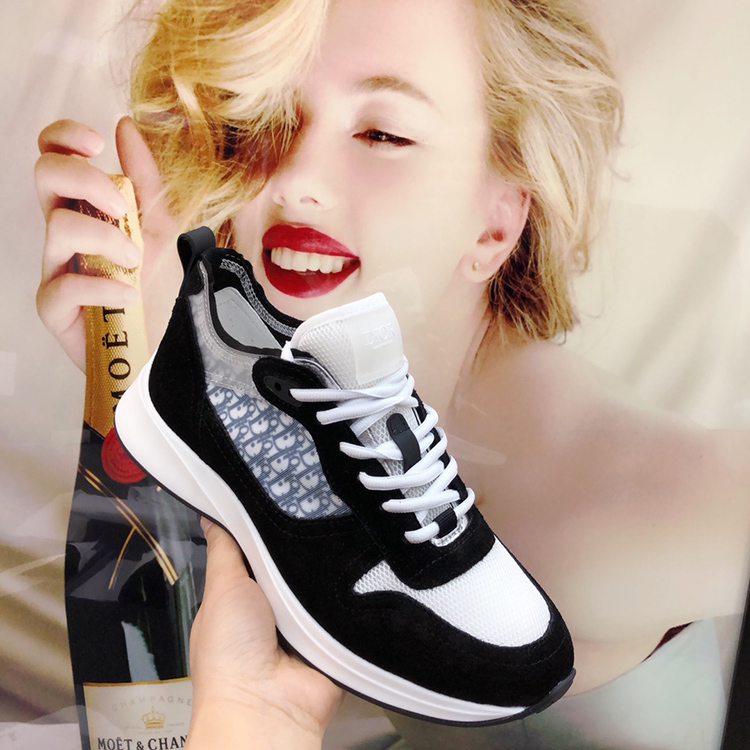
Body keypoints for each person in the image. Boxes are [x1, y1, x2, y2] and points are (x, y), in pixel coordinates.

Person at [34, 0, 750, 746]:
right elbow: (150, 708)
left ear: (498, 221)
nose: (295, 180)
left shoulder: (607, 496)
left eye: (384, 134)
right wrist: (140, 379)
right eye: (264, 121)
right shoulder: (286, 419)